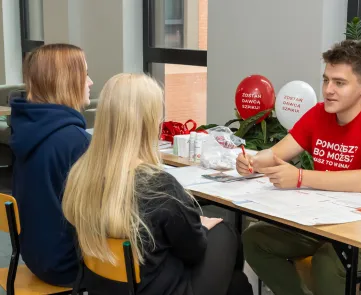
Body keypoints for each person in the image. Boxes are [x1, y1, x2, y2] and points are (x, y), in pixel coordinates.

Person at [62, 73, 253, 295]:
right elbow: (193, 251)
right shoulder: (158, 187)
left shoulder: (80, 175)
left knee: (236, 284)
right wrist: (199, 226)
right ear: (149, 123)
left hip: (105, 287)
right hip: (156, 289)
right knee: (224, 233)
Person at [236, 40, 361, 295]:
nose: (328, 90)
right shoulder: (319, 114)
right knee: (255, 239)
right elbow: (277, 152)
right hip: (323, 222)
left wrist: (300, 177)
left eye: (339, 83)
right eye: (326, 80)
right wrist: (253, 162)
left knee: (327, 261)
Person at [9, 43, 93, 286]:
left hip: (36, 257)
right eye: (85, 74)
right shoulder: (74, 141)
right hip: (68, 264)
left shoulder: (29, 130)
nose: (90, 82)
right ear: (67, 81)